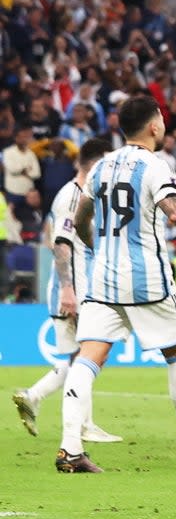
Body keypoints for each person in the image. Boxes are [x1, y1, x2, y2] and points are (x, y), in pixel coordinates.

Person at [58, 95, 176, 475]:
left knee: (89, 356)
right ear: (153, 125)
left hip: (103, 280)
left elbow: (80, 217)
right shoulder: (154, 165)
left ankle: (69, 448)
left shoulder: (100, 167)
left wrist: (96, 246)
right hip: (148, 279)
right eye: (162, 118)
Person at [11, 139, 121, 443]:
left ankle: (44, 402)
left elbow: (51, 235)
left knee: (78, 358)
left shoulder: (78, 196)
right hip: (73, 292)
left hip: (72, 288)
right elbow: (60, 245)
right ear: (97, 166)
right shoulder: (72, 198)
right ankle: (52, 407)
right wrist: (68, 290)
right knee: (89, 357)